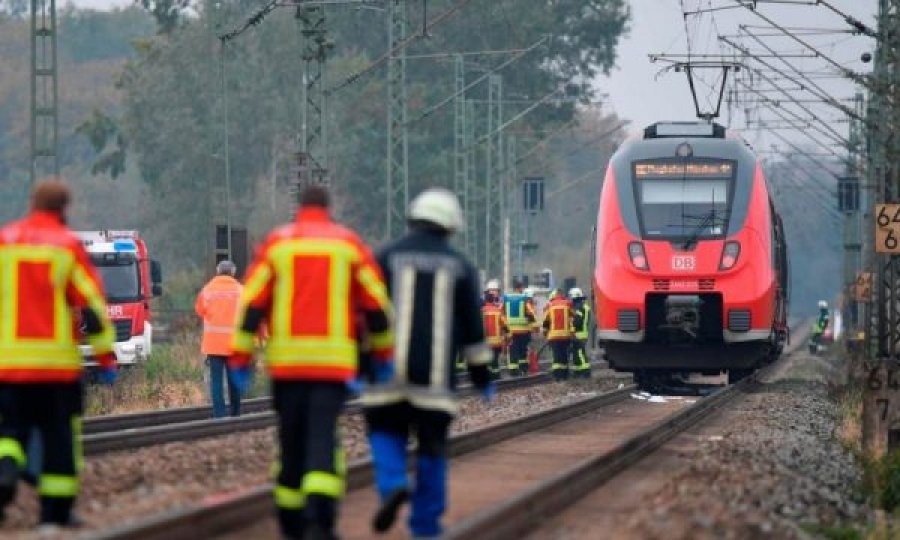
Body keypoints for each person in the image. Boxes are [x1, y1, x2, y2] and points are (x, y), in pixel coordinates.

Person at [228, 186, 393, 540]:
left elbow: (252, 304)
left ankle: (290, 524)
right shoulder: (348, 245)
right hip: (332, 368)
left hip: (287, 367)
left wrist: (241, 357)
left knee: (290, 441)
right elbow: (377, 306)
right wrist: (383, 355)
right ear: (328, 209)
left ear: (300, 208)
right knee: (323, 438)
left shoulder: (277, 244)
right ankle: (321, 521)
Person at [361, 188, 493, 539]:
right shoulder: (461, 267)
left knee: (386, 433)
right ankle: (425, 527)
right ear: (450, 226)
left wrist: (361, 366)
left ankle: (392, 485)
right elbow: (473, 333)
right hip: (435, 386)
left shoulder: (384, 257)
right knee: (432, 452)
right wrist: (482, 378)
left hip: (385, 378)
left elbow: (362, 315)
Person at [0, 178, 117, 529]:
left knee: (10, 432)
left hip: (7, 365)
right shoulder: (66, 247)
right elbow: (93, 309)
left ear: (32, 203)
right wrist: (106, 357)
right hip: (55, 370)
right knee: (58, 439)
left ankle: (5, 474)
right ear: (63, 208)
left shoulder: (5, 241)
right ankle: (55, 514)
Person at [195, 260, 243, 418]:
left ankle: (219, 416)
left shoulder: (207, 290)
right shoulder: (241, 291)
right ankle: (235, 414)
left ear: (217, 272)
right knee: (234, 381)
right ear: (233, 272)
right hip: (234, 345)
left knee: (216, 382)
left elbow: (200, 311)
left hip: (213, 345)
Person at [503, 281, 536, 376]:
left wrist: (504, 328)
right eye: (522, 288)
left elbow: (501, 312)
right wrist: (534, 324)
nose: (523, 290)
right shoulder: (524, 299)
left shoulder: (506, 298)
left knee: (513, 350)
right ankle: (523, 369)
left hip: (511, 331)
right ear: (519, 288)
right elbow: (531, 313)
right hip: (523, 331)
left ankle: (513, 371)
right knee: (522, 351)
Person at [542, 288, 574, 381]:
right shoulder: (568, 304)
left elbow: (545, 321)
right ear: (562, 295)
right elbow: (572, 319)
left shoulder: (549, 305)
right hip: (565, 335)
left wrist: (545, 333)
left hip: (554, 336)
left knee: (556, 356)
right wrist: (572, 331)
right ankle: (564, 375)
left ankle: (557, 376)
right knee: (564, 355)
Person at [482, 281, 508, 380]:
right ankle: (496, 375)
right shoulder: (498, 310)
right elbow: (504, 323)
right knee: (494, 359)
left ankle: (490, 375)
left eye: (495, 290)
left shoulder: (482, 310)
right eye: (491, 291)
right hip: (496, 340)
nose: (493, 292)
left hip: (486, 341)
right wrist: (508, 333)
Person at [569, 288, 592, 379]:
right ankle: (577, 372)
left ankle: (585, 371)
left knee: (579, 353)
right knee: (577, 353)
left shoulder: (579, 307)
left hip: (578, 334)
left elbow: (577, 321)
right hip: (584, 333)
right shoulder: (585, 307)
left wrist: (572, 325)